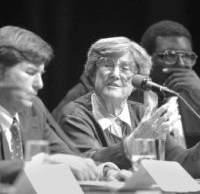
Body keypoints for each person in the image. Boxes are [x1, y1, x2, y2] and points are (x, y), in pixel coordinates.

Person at [54, 36, 200, 178]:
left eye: (125, 68)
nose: (116, 74)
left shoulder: (142, 113)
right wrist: (134, 142)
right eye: (107, 65)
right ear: (93, 73)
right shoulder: (75, 114)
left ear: (138, 80)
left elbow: (180, 162)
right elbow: (89, 161)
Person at [0, 25, 105, 182]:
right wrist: (41, 163)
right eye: (30, 72)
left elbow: (70, 158)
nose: (39, 84)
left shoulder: (34, 108)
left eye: (41, 74)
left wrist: (106, 171)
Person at [141, 20, 200, 148]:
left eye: (187, 56)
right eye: (170, 55)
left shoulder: (195, 100)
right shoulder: (125, 100)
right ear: (145, 59)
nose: (181, 64)